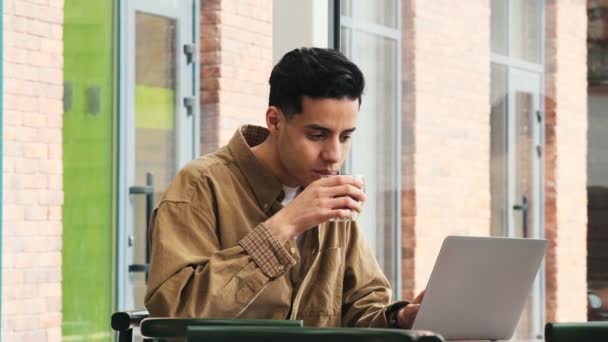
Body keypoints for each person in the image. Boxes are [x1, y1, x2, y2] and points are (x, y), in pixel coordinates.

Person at [144, 47, 423, 328]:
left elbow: (360, 306)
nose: (334, 155)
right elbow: (174, 313)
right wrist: (284, 225)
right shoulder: (200, 185)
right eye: (318, 135)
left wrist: (399, 318)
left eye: (346, 137)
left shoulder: (333, 199)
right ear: (275, 121)